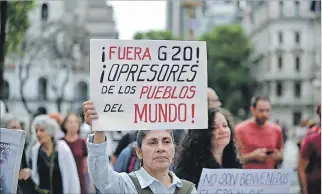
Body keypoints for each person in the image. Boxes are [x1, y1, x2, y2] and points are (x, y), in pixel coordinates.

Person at [83, 100, 196, 194]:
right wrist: (99, 131)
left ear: (174, 149)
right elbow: (101, 176)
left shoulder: (188, 190)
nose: (160, 148)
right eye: (152, 142)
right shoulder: (126, 185)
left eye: (166, 141)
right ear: (139, 152)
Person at [175, 108, 241, 187]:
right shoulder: (190, 168)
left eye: (225, 125)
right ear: (201, 134)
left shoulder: (234, 162)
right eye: (214, 128)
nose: (222, 130)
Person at [29, 115, 80, 194]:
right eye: (36, 130)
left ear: (50, 132)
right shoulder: (36, 150)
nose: (38, 134)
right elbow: (35, 177)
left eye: (42, 130)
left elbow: (72, 177)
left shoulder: (62, 149)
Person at [235, 96, 284, 169]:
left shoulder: (277, 130)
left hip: (269, 177)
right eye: (261, 110)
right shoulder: (239, 129)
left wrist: (279, 158)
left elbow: (280, 156)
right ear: (252, 109)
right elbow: (233, 160)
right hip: (246, 176)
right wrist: (252, 157)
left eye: (267, 110)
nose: (265, 114)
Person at [61, 113, 88, 194]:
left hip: (80, 179)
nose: (73, 124)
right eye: (70, 122)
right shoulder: (60, 142)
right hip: (64, 179)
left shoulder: (82, 142)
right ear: (65, 124)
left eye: (75, 122)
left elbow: (85, 165)